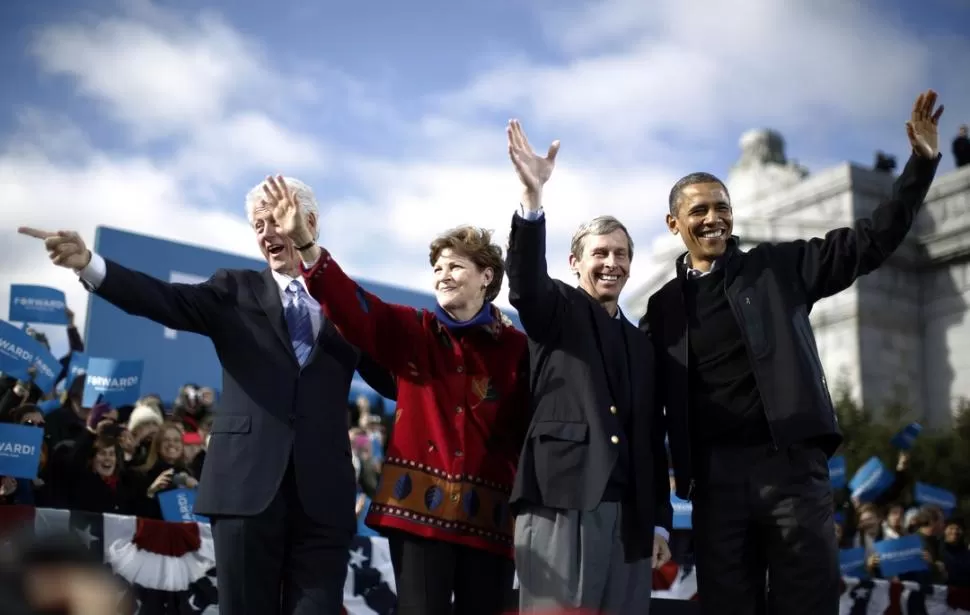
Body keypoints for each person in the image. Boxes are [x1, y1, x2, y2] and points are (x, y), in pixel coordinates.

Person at [18, 179, 399, 615]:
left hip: (324, 500)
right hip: (245, 493)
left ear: (309, 223)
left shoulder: (347, 304)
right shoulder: (233, 291)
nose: (267, 233)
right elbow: (163, 299)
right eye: (258, 225)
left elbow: (393, 380)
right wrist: (89, 265)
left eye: (276, 220)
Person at [640, 89, 944, 614]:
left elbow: (870, 241)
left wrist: (920, 165)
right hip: (713, 484)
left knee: (807, 601)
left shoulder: (777, 268)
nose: (714, 218)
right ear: (675, 225)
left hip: (790, 472)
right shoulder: (661, 310)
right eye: (700, 210)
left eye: (723, 208)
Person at [259, 174, 531, 615]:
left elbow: (530, 428)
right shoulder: (413, 330)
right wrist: (307, 244)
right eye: (438, 267)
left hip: (492, 521)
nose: (443, 274)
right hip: (417, 518)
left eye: (456, 266)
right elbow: (353, 306)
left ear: (486, 277)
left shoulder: (517, 348)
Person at [503, 119, 672, 613]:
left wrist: (659, 520)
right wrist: (531, 203)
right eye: (600, 253)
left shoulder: (643, 345)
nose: (611, 263)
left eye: (621, 254)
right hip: (561, 502)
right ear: (575, 263)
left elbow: (650, 436)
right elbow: (525, 284)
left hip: (632, 520)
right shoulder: (556, 309)